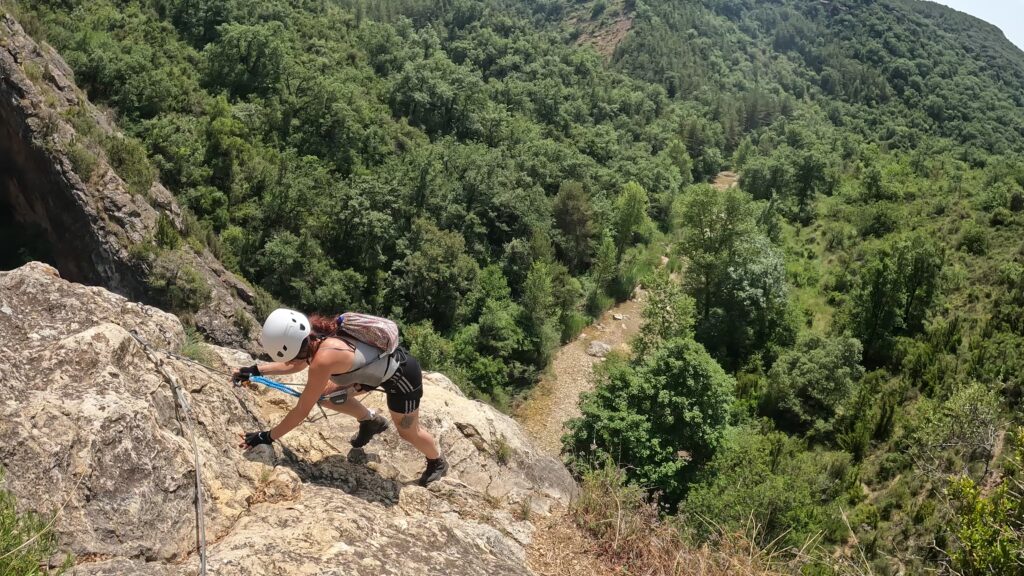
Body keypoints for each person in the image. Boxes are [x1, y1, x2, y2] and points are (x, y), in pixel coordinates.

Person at [234, 308, 449, 486]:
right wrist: (256, 370)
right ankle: (370, 421)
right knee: (325, 396)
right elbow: (298, 363)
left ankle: (437, 462)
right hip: (373, 370)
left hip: (401, 379)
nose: (291, 360)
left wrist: (267, 437)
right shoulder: (316, 332)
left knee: (409, 432)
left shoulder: (323, 359)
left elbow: (301, 409)